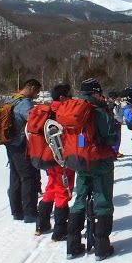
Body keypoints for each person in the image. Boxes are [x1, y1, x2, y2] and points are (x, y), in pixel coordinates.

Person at [64, 78, 119, 260]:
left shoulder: (74, 109)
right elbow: (110, 136)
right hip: (99, 161)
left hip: (79, 160)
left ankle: (72, 245)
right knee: (102, 200)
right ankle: (101, 247)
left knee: (79, 199)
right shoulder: (98, 110)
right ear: (96, 92)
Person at [35, 83, 75, 240]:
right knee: (63, 191)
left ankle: (41, 224)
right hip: (61, 157)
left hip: (48, 156)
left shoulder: (47, 110)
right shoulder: (63, 111)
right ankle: (60, 230)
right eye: (69, 96)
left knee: (51, 187)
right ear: (63, 97)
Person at [5, 78, 42, 223]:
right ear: (31, 87)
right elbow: (33, 121)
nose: (36, 94)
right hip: (21, 144)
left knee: (15, 176)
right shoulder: (24, 103)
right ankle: (30, 213)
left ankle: (17, 211)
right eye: (37, 91)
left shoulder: (11, 99)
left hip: (10, 143)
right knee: (28, 177)